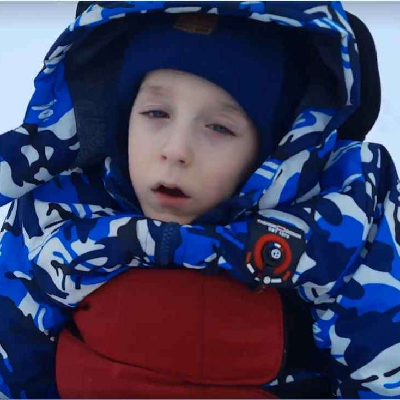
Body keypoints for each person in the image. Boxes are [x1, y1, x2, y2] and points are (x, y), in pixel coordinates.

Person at [0, 2, 399, 399]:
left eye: (219, 128)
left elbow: (381, 373)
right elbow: (13, 359)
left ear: (273, 150)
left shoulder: (329, 227)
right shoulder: (61, 212)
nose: (176, 150)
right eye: (156, 113)